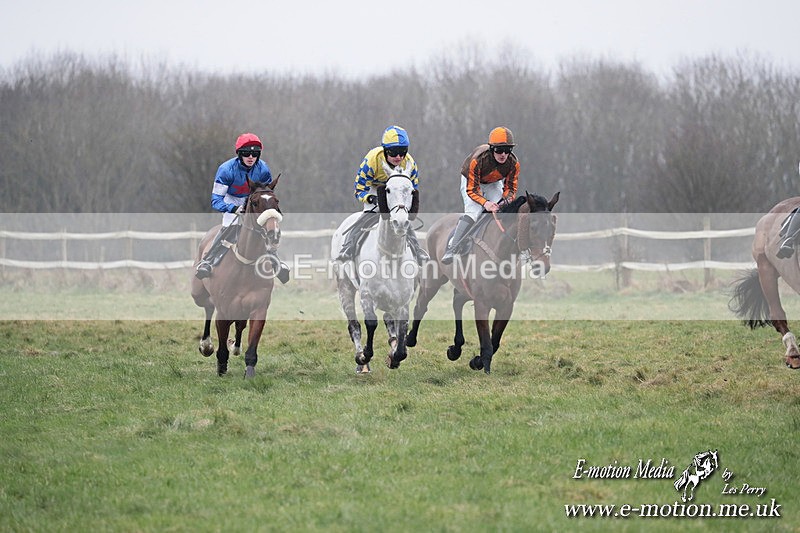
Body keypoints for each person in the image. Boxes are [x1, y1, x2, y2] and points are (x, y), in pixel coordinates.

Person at [196, 133, 287, 281]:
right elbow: (216, 200)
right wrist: (233, 208)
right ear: (239, 154)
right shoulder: (225, 170)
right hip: (231, 201)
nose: (251, 157)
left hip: (254, 202)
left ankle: (275, 260)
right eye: (246, 153)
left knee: (267, 228)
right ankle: (208, 261)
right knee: (229, 226)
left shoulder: (263, 168)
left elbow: (267, 192)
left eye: (255, 153)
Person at [336, 125, 429, 264]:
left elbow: (413, 189)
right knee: (367, 216)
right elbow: (359, 188)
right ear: (385, 150)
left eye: (403, 151)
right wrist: (371, 198)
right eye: (393, 152)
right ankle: (348, 247)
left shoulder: (410, 164)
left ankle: (417, 250)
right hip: (375, 188)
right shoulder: (372, 160)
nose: (398, 156)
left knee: (403, 219)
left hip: (398, 194)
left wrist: (408, 207)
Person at [441, 126, 520, 265]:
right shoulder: (478, 160)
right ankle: (452, 247)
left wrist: (505, 202)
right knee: (474, 212)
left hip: (493, 182)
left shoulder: (514, 163)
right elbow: (472, 190)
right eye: (499, 150)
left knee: (500, 211)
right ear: (491, 149)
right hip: (471, 181)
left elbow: (511, 189)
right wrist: (485, 203)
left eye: (508, 150)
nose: (503, 154)